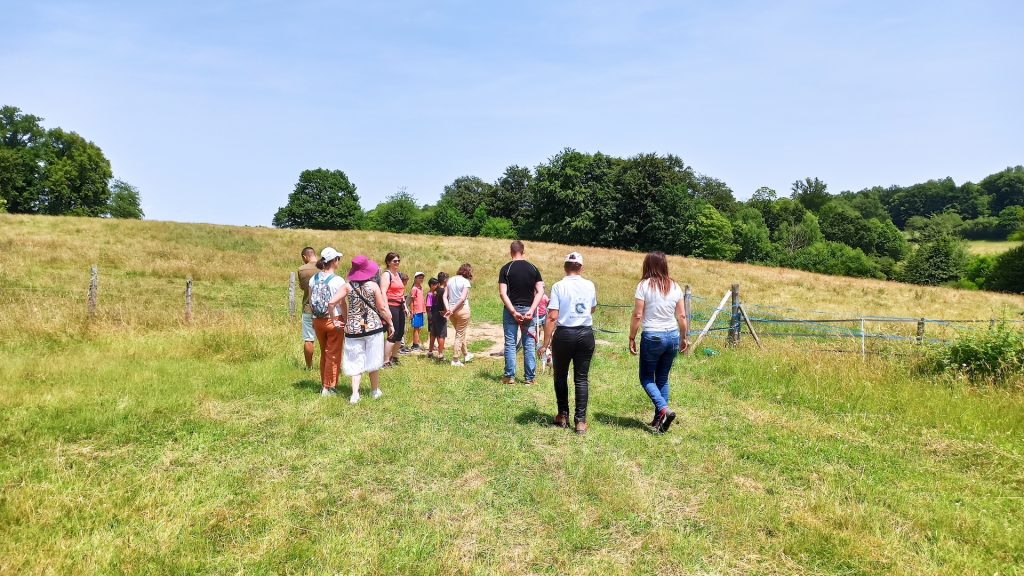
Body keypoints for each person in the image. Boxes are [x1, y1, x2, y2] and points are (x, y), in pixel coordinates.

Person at [628, 251, 689, 433]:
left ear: (648, 265)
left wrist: (631, 337)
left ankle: (663, 410)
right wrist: (684, 337)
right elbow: (682, 315)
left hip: (652, 336)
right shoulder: (675, 286)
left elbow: (638, 314)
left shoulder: (644, 285)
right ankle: (658, 420)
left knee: (646, 378)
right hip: (671, 335)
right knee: (662, 378)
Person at [539, 252, 597, 435]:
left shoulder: (558, 286)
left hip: (564, 335)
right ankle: (580, 422)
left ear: (565, 267)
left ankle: (562, 415)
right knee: (581, 378)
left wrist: (545, 343)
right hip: (585, 334)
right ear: (581, 267)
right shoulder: (589, 285)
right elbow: (592, 308)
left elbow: (552, 316)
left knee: (560, 375)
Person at [339, 256, 393, 404]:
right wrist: (390, 323)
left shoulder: (347, 286)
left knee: (355, 359)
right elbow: (382, 308)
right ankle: (375, 390)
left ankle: (355, 394)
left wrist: (344, 316)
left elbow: (334, 301)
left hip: (353, 329)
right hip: (372, 327)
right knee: (373, 359)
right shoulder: (373, 286)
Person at [498, 241, 545, 386]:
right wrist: (531, 310)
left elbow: (502, 293)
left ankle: (509, 377)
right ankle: (529, 379)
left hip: (511, 310)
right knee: (529, 344)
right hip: (528, 311)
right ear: (523, 251)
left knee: (510, 343)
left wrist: (512, 311)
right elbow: (540, 291)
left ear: (511, 251)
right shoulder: (533, 268)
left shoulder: (506, 268)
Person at [309, 247, 346, 396]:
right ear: (334, 261)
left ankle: (324, 384)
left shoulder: (314, 278)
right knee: (334, 354)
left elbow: (310, 301)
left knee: (324, 353)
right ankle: (329, 387)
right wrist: (347, 320)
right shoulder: (338, 280)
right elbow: (342, 303)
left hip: (318, 320)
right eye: (338, 259)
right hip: (334, 319)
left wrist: (314, 317)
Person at [380, 253, 409, 367]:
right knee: (393, 333)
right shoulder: (387, 275)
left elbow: (401, 292)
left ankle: (395, 356)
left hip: (399, 306)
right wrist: (386, 309)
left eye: (398, 261)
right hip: (391, 306)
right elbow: (383, 292)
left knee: (400, 333)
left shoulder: (397, 274)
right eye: (394, 261)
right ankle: (385, 361)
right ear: (388, 262)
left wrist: (405, 306)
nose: (397, 263)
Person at [444, 264, 474, 367]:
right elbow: (462, 299)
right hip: (462, 310)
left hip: (452, 311)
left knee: (460, 333)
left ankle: (466, 354)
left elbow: (445, 296)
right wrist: (452, 309)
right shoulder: (465, 282)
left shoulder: (450, 280)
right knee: (460, 334)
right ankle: (455, 359)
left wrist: (449, 308)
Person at [297, 246, 319, 370]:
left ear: (305, 257)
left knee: (309, 339)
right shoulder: (325, 267)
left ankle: (309, 366)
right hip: (326, 310)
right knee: (326, 340)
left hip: (308, 308)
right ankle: (326, 366)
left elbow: (302, 286)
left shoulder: (302, 269)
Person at [430, 272, 449, 362]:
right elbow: (445, 302)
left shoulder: (436, 289)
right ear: (445, 280)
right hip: (441, 314)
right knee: (441, 335)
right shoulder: (444, 291)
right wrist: (446, 312)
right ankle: (440, 354)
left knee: (433, 333)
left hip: (434, 313)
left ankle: (430, 352)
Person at [408, 272, 426, 351]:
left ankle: (417, 343)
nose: (421, 279)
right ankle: (415, 345)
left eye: (422, 278)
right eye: (419, 278)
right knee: (416, 328)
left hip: (420, 310)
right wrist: (412, 312)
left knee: (419, 328)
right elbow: (411, 301)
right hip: (416, 311)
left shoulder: (420, 287)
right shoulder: (414, 288)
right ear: (415, 278)